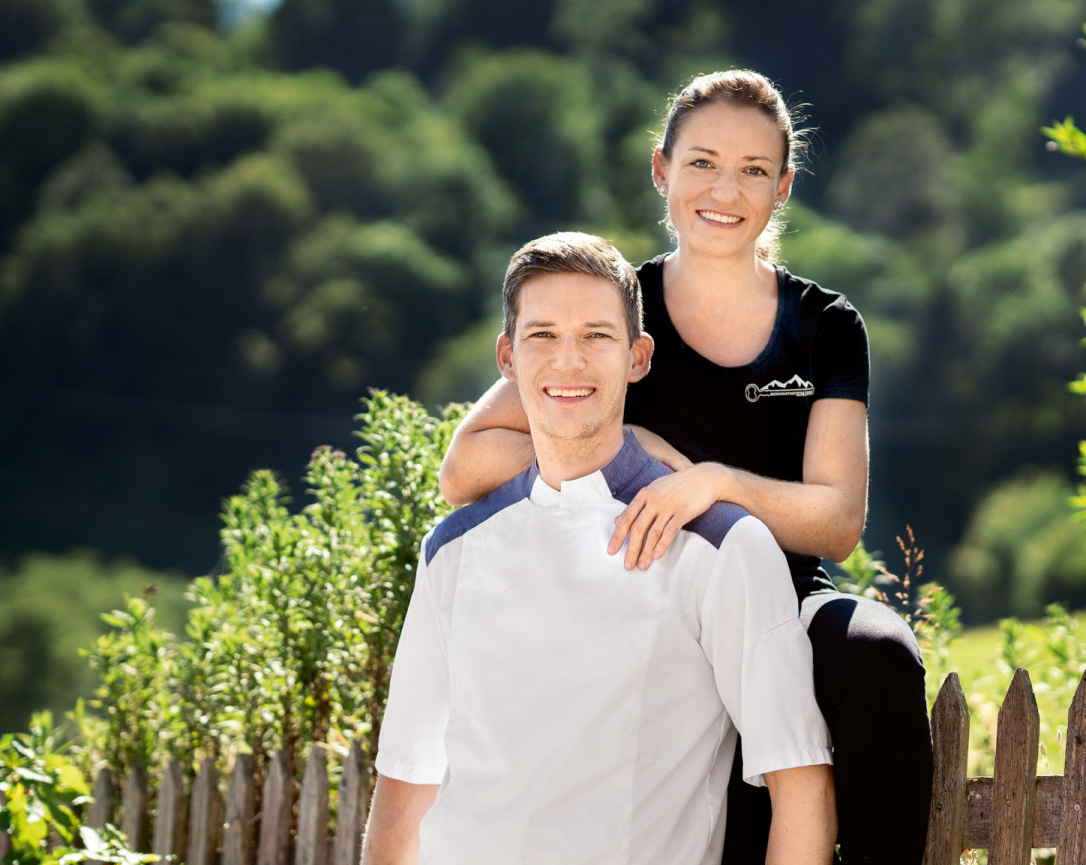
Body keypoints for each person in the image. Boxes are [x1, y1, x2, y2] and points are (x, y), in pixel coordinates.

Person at [438, 71, 932, 863]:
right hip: (641, 606)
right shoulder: (614, 307)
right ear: (661, 171)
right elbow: (466, 465)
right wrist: (638, 455)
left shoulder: (826, 326)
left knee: (877, 654)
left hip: (782, 601)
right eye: (701, 163)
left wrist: (716, 481)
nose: (725, 190)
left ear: (783, 188)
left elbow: (837, 522)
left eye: (753, 170)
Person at [360, 232, 836, 865]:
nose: (568, 362)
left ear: (638, 357)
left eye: (596, 336)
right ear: (508, 356)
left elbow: (801, 786)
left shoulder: (722, 548)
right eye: (543, 335)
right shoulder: (453, 549)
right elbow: (405, 784)